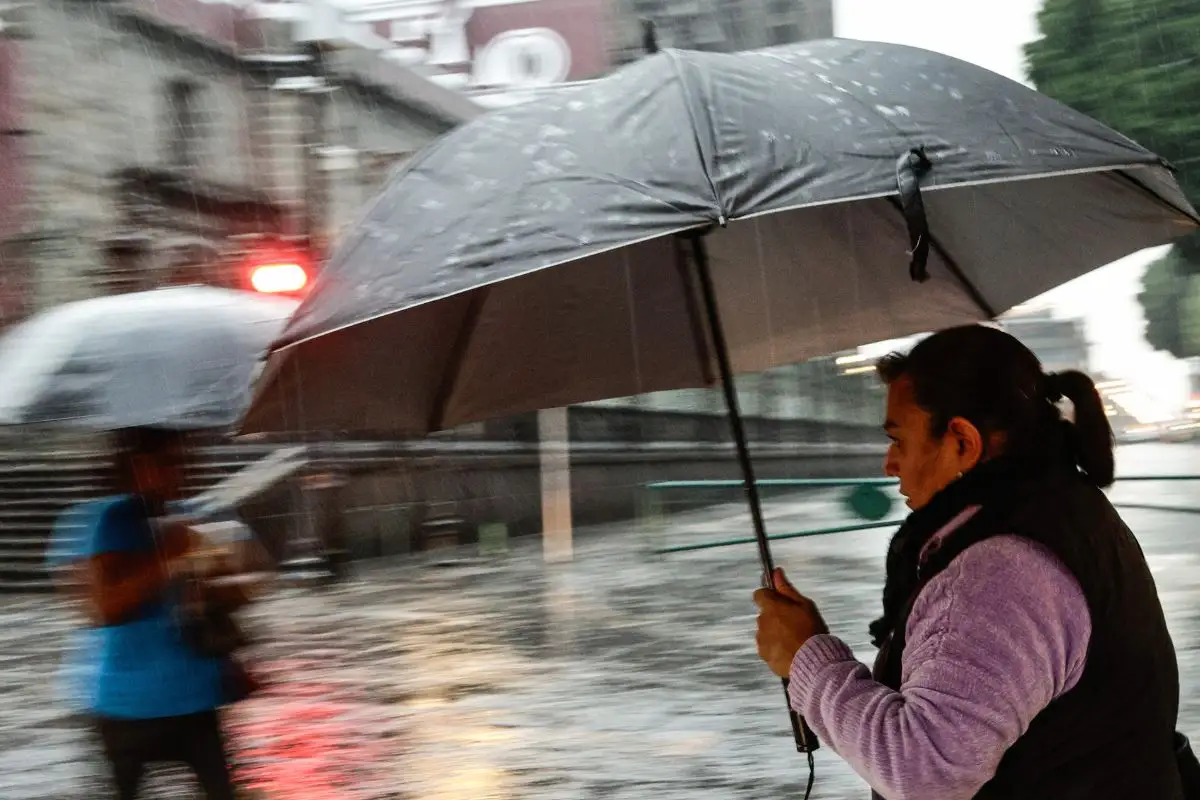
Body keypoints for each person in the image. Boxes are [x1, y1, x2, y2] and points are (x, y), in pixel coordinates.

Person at [753, 324, 1189, 799]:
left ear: (962, 441)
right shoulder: (1065, 512)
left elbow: (924, 769)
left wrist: (807, 661)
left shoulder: (1001, 572)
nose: (889, 464)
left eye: (899, 439)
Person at [50, 427, 255, 800]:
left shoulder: (193, 516)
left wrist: (222, 570)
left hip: (197, 698)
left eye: (187, 461)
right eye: (172, 462)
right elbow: (103, 609)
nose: (185, 471)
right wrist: (167, 556)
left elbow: (237, 594)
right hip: (127, 708)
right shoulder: (108, 522)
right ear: (140, 466)